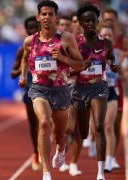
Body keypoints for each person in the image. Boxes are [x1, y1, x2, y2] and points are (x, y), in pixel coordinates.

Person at [18, 1, 85, 179]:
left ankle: (61, 149)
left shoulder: (66, 38)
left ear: (56, 17)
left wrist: (63, 58)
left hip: (61, 90)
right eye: (44, 14)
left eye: (50, 14)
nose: (47, 17)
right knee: (44, 123)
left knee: (60, 136)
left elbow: (80, 64)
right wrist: (24, 76)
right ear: (38, 17)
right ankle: (46, 171)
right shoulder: (29, 41)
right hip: (39, 89)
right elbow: (25, 59)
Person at [72, 4, 119, 180]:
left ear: (98, 21)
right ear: (82, 24)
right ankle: (84, 132)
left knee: (99, 126)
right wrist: (78, 68)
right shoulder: (74, 43)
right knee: (83, 132)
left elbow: (110, 59)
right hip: (79, 89)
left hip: (99, 87)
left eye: (93, 20)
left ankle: (100, 172)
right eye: (87, 21)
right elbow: (66, 70)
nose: (91, 23)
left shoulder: (106, 43)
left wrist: (112, 65)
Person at [102, 7, 128, 169]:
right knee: (101, 125)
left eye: (112, 19)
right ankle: (101, 151)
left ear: (116, 21)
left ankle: (111, 156)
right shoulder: (98, 40)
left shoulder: (123, 41)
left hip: (115, 86)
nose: (109, 22)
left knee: (114, 124)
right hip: (97, 88)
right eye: (106, 19)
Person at [10, 15, 41, 171]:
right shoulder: (23, 49)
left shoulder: (48, 46)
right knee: (33, 124)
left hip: (47, 88)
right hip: (29, 90)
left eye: (36, 27)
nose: (33, 30)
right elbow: (13, 73)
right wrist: (21, 71)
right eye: (30, 27)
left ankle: (45, 147)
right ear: (26, 29)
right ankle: (36, 152)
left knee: (45, 122)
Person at [58, 12, 84, 176]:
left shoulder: (83, 43)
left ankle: (74, 163)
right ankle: (61, 155)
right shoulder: (55, 43)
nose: (69, 26)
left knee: (78, 129)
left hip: (81, 89)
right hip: (61, 89)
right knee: (66, 129)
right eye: (66, 24)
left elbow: (84, 65)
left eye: (73, 23)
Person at [98, 19, 125, 172]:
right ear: (100, 36)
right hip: (97, 92)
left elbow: (120, 73)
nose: (107, 36)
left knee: (109, 126)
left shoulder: (118, 53)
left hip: (112, 91)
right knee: (99, 128)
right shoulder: (93, 51)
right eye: (104, 34)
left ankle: (109, 159)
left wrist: (123, 74)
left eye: (109, 34)